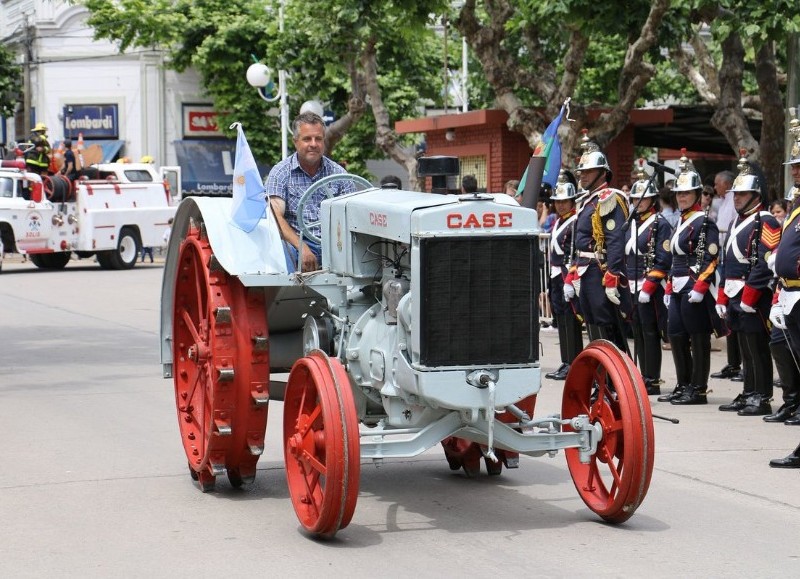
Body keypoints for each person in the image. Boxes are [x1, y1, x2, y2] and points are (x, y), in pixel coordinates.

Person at [715, 152, 780, 416]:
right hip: (733, 292)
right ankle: (749, 391)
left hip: (753, 295)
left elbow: (765, 261)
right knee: (743, 346)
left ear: (756, 195)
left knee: (757, 347)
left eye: (742, 194)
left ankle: (761, 396)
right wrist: (721, 296)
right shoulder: (736, 222)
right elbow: (726, 261)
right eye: (735, 194)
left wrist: (750, 296)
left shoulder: (766, 221)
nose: (737, 198)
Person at [658, 149, 724, 405]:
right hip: (677, 284)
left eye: (686, 193)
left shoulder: (703, 222)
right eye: (679, 193)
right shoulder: (682, 220)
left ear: (696, 194)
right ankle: (683, 384)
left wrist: (699, 286)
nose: (682, 197)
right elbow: (675, 257)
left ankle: (698, 389)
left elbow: (709, 257)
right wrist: (668, 288)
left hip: (694, 285)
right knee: (675, 334)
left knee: (697, 336)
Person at [563, 130, 631, 351]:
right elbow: (580, 241)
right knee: (591, 325)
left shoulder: (609, 198)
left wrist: (613, 273)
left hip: (599, 271)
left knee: (606, 325)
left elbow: (615, 240)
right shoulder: (587, 201)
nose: (582, 175)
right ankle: (601, 379)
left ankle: (616, 381)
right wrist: (574, 267)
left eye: (588, 171)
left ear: (602, 173)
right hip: (585, 269)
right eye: (581, 171)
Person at [265, 111, 353, 272]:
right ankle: (290, 294)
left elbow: (352, 215)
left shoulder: (339, 174)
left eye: (318, 139)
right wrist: (303, 247)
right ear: (295, 142)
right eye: (307, 139)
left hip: (335, 244)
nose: (313, 144)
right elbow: (274, 216)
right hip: (296, 244)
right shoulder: (280, 173)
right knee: (281, 250)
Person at [626, 164, 673, 395]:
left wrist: (649, 285)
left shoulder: (660, 223)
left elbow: (663, 259)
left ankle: (652, 379)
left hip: (649, 285)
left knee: (650, 331)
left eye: (642, 199)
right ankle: (641, 375)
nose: (638, 202)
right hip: (632, 283)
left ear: (652, 199)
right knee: (637, 331)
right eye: (635, 199)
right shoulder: (632, 223)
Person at [769, 115, 800, 466]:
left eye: (799, 166)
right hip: (791, 295)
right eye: (793, 166)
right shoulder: (795, 207)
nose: (795, 171)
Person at [544, 169, 583, 380]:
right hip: (555, 274)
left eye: (565, 201)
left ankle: (574, 362)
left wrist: (570, 279)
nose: (560, 204)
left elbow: (574, 252)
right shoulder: (559, 221)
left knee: (570, 319)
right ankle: (566, 360)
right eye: (557, 201)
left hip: (568, 274)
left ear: (572, 201)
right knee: (560, 318)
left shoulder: (575, 221)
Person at [710, 169, 743, 382]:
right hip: (724, 257)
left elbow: (725, 228)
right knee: (728, 316)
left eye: (717, 183)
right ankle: (733, 363)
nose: (715, 187)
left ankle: (740, 365)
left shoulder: (732, 201)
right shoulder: (722, 201)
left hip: (735, 262)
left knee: (741, 322)